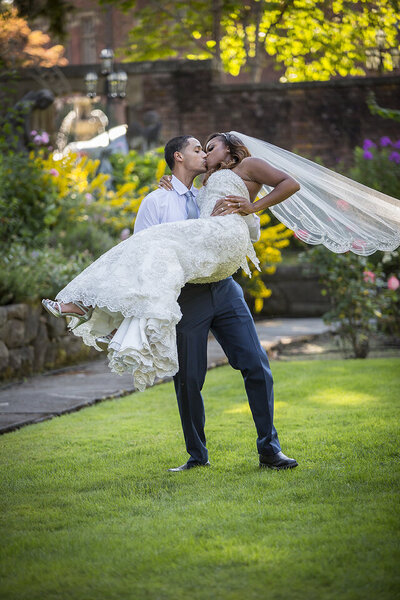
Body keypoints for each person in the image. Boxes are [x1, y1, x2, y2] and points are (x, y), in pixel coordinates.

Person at [43, 132, 301, 471]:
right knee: (188, 380)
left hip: (225, 290)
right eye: (198, 149)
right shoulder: (157, 200)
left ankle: (270, 449)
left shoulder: (208, 189)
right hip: (188, 299)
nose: (204, 154)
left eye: (207, 149)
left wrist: (250, 207)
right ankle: (197, 456)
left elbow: (244, 206)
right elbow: (140, 256)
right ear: (179, 157)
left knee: (257, 366)